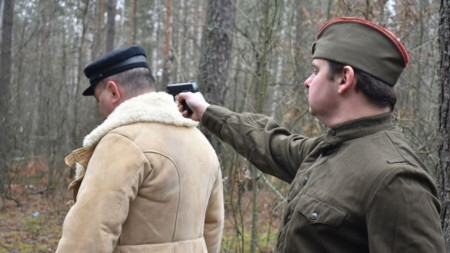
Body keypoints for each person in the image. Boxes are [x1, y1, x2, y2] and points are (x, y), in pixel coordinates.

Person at [176, 17, 445, 252]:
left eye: (316, 71)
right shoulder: (331, 150)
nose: (307, 81)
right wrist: (206, 111)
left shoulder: (396, 180)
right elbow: (269, 143)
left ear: (344, 79)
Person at [56, 45, 224, 253]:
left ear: (113, 90)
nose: (101, 110)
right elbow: (213, 227)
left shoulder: (122, 143)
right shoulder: (200, 143)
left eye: (99, 100)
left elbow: (87, 238)